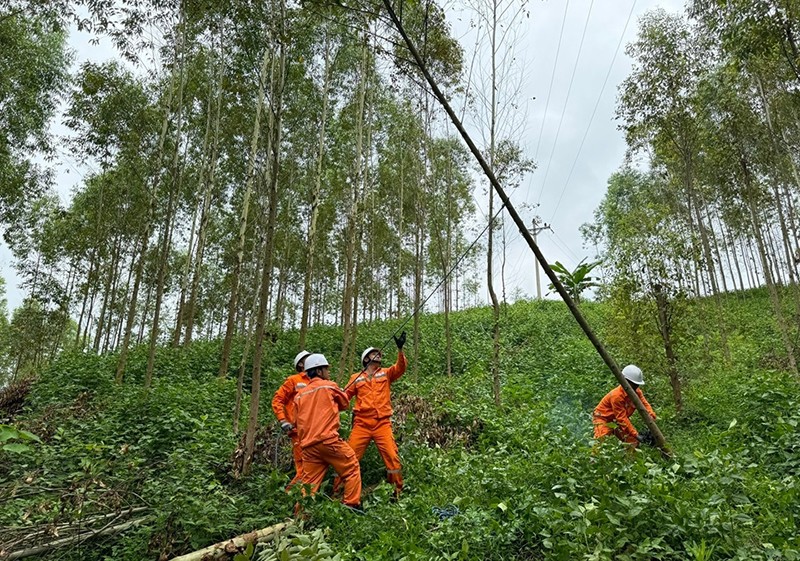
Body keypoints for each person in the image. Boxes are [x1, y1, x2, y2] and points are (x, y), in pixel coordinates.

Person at [293, 353, 362, 511]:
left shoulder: (299, 396)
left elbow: (295, 421)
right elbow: (345, 404)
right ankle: (352, 505)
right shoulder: (329, 386)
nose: (328, 372)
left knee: (309, 485)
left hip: (308, 447)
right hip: (328, 441)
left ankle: (300, 516)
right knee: (351, 467)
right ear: (318, 371)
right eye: (326, 369)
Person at [342, 332, 407, 496]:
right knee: (349, 457)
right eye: (373, 354)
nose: (378, 355)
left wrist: (400, 349)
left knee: (392, 457)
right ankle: (340, 492)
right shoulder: (356, 378)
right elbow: (344, 398)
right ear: (365, 359)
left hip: (382, 424)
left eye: (378, 353)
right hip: (362, 424)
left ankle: (397, 492)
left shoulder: (385, 373)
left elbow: (400, 368)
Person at [271, 350, 311, 489]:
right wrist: (283, 420)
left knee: (311, 466)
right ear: (300, 364)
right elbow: (277, 400)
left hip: (314, 430)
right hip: (297, 430)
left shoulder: (319, 380)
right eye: (307, 359)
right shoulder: (293, 380)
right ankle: (290, 496)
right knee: (303, 468)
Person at [593, 364, 657, 447]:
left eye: (637, 385)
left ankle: (630, 459)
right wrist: (636, 435)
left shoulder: (637, 392)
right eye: (633, 384)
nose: (635, 387)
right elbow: (622, 418)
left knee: (632, 441)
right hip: (603, 418)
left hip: (617, 421)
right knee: (601, 441)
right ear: (625, 381)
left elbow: (645, 405)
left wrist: (652, 418)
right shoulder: (617, 396)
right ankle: (593, 459)